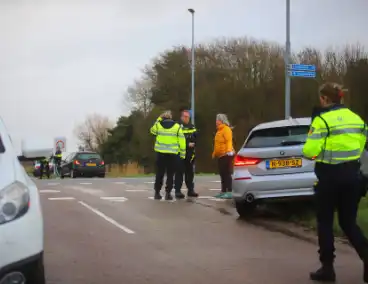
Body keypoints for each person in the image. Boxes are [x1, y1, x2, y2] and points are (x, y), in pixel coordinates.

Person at [303, 82, 368, 283]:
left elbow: (309, 152)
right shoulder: (356, 118)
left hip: (329, 177)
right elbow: (363, 145)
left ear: (324, 99)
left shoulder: (322, 120)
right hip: (352, 177)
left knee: (325, 222)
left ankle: (328, 268)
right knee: (348, 222)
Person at [150, 110, 186, 200]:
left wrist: (158, 119)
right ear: (171, 117)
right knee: (170, 174)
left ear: (162, 117)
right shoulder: (177, 126)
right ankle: (168, 193)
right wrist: (182, 154)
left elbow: (152, 131)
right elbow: (182, 141)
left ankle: (157, 193)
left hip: (160, 153)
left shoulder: (158, 125)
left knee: (159, 174)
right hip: (172, 154)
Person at [174, 110, 199, 199]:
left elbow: (196, 137)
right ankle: (177, 191)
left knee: (190, 173)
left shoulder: (192, 127)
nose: (186, 118)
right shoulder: (177, 127)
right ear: (181, 117)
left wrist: (194, 143)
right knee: (179, 173)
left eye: (188, 117)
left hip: (190, 154)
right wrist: (187, 143)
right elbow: (176, 139)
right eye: (185, 117)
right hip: (180, 154)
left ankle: (190, 190)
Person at [212, 114, 234, 199]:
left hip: (226, 154)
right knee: (222, 173)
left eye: (217, 120)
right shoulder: (219, 131)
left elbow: (229, 141)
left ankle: (229, 191)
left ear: (221, 121)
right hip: (220, 155)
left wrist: (229, 151)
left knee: (226, 173)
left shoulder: (226, 129)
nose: (216, 122)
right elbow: (217, 144)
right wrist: (214, 153)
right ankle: (223, 190)